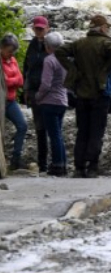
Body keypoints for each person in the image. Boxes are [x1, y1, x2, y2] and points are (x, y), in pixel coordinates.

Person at [57, 14, 111, 178]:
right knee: (96, 131)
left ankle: (79, 168)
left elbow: (60, 51)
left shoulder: (79, 43)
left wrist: (72, 69)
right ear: (102, 28)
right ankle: (92, 167)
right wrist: (106, 68)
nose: (108, 30)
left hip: (81, 94)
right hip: (100, 94)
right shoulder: (105, 43)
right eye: (107, 27)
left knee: (82, 131)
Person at [36, 32, 69, 177]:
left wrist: (38, 96)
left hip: (49, 101)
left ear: (48, 47)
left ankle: (57, 165)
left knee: (54, 135)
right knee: (58, 134)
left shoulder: (49, 60)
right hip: (63, 100)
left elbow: (45, 84)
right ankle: (63, 164)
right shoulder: (65, 60)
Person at [23, 16, 49, 172]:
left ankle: (56, 161)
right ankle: (43, 162)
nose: (39, 31)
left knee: (50, 127)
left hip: (48, 93)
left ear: (47, 28)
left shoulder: (51, 45)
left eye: (41, 28)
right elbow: (27, 68)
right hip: (34, 91)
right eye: (36, 28)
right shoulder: (32, 45)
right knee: (39, 127)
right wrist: (26, 90)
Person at [2, 34, 27, 173]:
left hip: (10, 100)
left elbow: (20, 80)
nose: (11, 54)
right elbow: (3, 82)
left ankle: (15, 159)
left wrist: (9, 80)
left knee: (22, 126)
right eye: (9, 51)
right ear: (3, 48)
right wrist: (13, 80)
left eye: (12, 52)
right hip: (1, 101)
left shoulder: (12, 60)